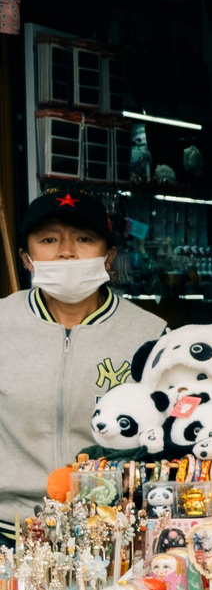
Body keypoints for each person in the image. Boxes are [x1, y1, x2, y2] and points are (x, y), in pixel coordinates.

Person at [0, 190, 166, 535]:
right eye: (48, 239)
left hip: (113, 530)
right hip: (9, 528)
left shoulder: (152, 335)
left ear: (109, 257)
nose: (66, 251)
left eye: (84, 239)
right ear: (27, 259)